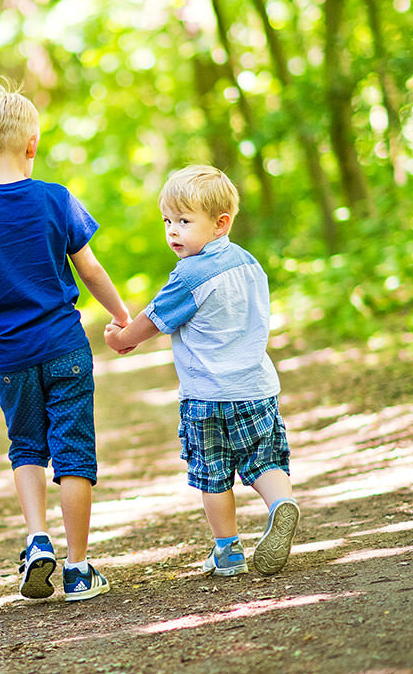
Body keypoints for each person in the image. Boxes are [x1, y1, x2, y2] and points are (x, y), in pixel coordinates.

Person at [0, 81, 131, 602]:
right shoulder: (56, 199)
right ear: (33, 144)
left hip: (8, 353)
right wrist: (122, 316)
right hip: (64, 344)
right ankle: (78, 567)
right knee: (73, 452)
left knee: (26, 448)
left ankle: (38, 540)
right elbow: (89, 267)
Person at [103, 164, 299, 577]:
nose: (173, 231)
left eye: (185, 221)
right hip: (256, 388)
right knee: (265, 461)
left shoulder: (189, 275)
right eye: (167, 221)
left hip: (206, 397)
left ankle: (228, 551)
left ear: (219, 224)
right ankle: (281, 504)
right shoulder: (250, 265)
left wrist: (121, 339)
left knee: (213, 476)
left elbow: (152, 320)